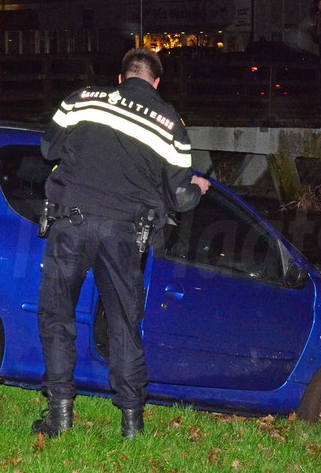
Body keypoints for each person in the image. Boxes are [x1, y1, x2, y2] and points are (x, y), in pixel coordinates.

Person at [35, 49, 210, 439]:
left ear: (120, 77)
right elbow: (179, 197)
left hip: (70, 223)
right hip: (124, 234)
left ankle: (59, 415)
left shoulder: (81, 99)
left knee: (57, 316)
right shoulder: (170, 125)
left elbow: (48, 150)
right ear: (157, 82)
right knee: (123, 325)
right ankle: (132, 422)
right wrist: (197, 188)